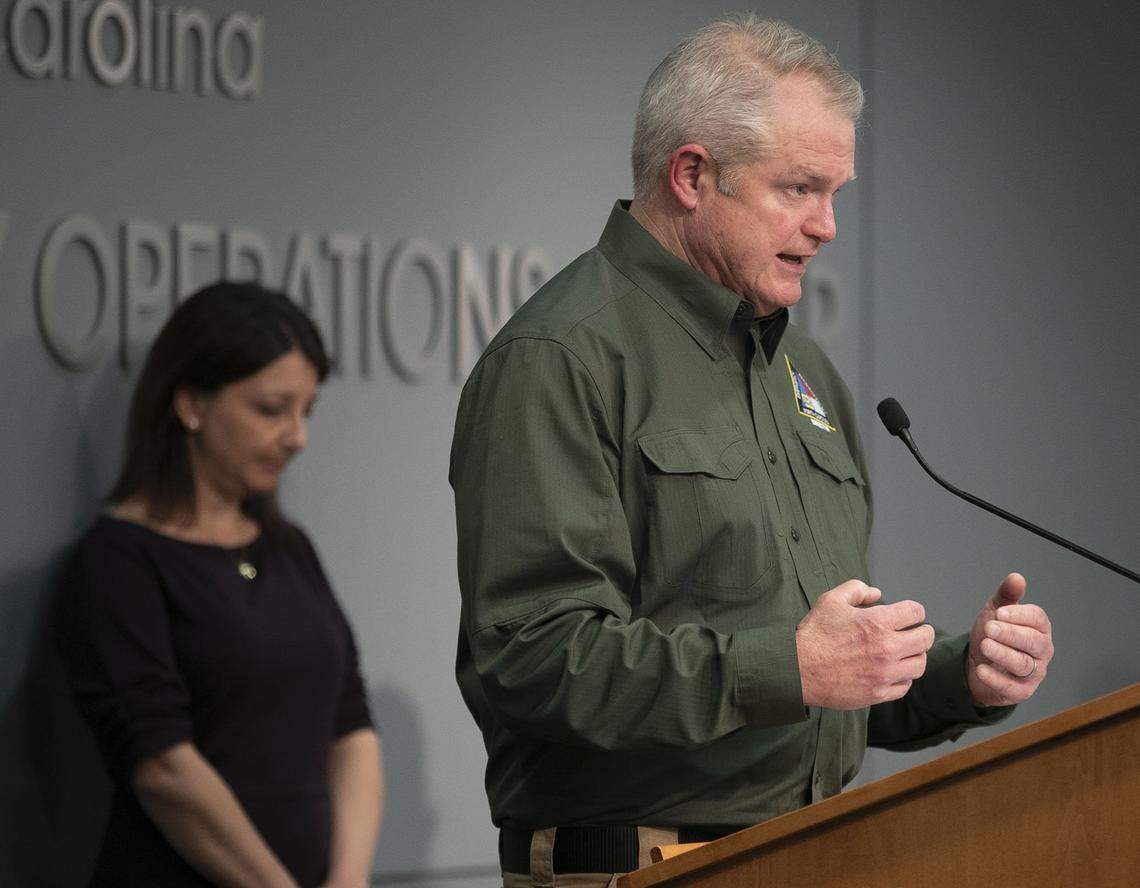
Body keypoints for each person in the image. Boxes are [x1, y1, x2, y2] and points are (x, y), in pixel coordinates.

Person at [450, 14, 1054, 887]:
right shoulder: (559, 359)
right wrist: (791, 665)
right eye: (800, 188)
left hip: (810, 852)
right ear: (692, 175)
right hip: (637, 869)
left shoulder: (802, 370)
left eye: (837, 193)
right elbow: (533, 660)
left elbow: (811, 695)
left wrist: (965, 677)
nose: (828, 226)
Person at [57, 282, 383, 887]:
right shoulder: (118, 561)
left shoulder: (289, 549)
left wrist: (348, 880)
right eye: (271, 409)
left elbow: (352, 726)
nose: (297, 436)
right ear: (191, 404)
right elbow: (162, 767)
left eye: (305, 412)